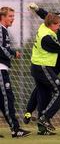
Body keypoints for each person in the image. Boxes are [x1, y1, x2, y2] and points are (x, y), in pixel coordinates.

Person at [28, 13, 60, 135]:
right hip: (42, 67)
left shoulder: (43, 26)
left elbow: (55, 16)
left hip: (37, 66)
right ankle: (45, 117)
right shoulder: (46, 37)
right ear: (51, 24)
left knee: (44, 96)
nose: (59, 27)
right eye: (57, 25)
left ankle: (42, 130)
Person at [0, 7, 31, 138]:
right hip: (0, 69)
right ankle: (15, 129)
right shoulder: (1, 30)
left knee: (3, 100)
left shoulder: (4, 30)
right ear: (2, 17)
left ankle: (15, 128)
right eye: (10, 16)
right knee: (8, 99)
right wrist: (13, 53)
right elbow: (1, 48)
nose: (13, 18)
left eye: (13, 16)